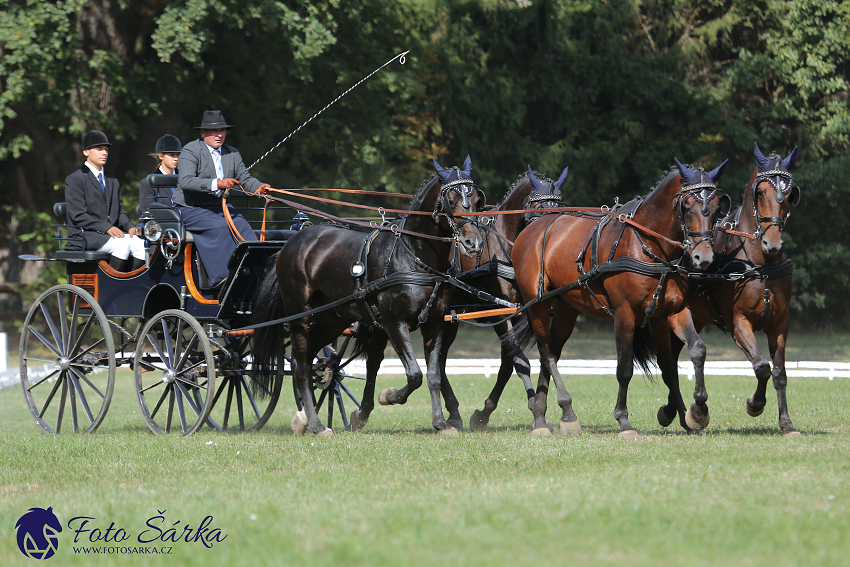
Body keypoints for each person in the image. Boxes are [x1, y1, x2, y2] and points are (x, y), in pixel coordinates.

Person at [174, 110, 270, 287]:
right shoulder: (191, 150)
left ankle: (257, 274)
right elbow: (186, 181)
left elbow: (245, 178)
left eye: (222, 131)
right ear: (203, 133)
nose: (219, 135)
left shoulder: (232, 153)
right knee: (220, 227)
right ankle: (222, 279)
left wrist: (259, 187)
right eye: (214, 131)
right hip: (192, 208)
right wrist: (217, 184)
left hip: (219, 207)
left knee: (244, 228)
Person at [64, 129, 146, 271]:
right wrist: (107, 228)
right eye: (99, 149)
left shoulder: (112, 181)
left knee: (140, 244)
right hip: (85, 235)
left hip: (111, 235)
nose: (104, 153)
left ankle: (129, 287)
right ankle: (112, 289)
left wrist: (130, 227)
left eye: (106, 150)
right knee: (122, 245)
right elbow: (79, 216)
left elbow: (120, 212)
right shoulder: (75, 179)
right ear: (86, 152)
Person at [138, 134, 182, 212]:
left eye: (178, 155)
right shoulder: (148, 184)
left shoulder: (185, 180)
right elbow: (147, 212)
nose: (176, 158)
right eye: (172, 155)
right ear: (160, 156)